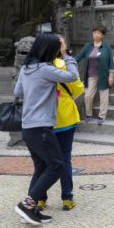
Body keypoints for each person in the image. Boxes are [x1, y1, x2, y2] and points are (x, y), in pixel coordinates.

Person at [14, 33, 79, 226]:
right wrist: (67, 55)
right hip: (41, 127)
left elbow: (18, 92)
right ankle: (27, 204)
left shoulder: (26, 68)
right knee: (57, 165)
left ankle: (32, 209)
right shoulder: (45, 69)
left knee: (41, 167)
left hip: (28, 126)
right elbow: (72, 76)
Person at [36, 35, 84, 212]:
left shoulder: (37, 67)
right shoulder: (64, 65)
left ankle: (40, 198)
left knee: (43, 161)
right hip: (65, 117)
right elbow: (78, 88)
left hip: (43, 119)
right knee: (64, 158)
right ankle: (67, 198)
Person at [75, 25, 114, 125]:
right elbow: (78, 57)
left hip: (103, 75)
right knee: (88, 96)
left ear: (102, 35)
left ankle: (102, 116)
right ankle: (88, 114)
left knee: (104, 97)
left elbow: (111, 62)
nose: (96, 34)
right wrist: (69, 62)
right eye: (94, 32)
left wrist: (111, 76)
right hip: (91, 75)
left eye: (98, 33)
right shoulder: (88, 46)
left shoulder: (106, 47)